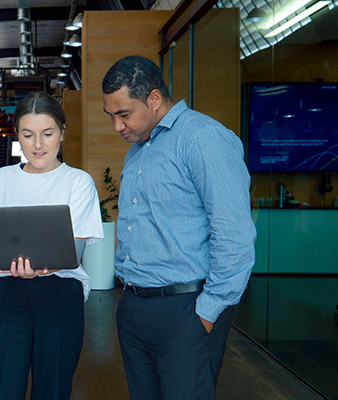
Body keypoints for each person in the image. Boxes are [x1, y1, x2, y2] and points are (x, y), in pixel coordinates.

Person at [101, 55, 256, 400]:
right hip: (134, 307)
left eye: (123, 114)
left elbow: (235, 235)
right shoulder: (138, 150)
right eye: (110, 116)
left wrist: (208, 311)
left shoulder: (204, 139)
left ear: (154, 99)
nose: (116, 126)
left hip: (186, 308)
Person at [0, 91, 104, 400]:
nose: (37, 145)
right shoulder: (0, 180)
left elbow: (74, 252)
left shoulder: (78, 181)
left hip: (60, 295)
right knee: (1, 385)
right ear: (17, 135)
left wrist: (42, 266)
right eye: (28, 135)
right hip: (10, 294)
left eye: (47, 134)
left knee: (53, 388)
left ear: (62, 132)